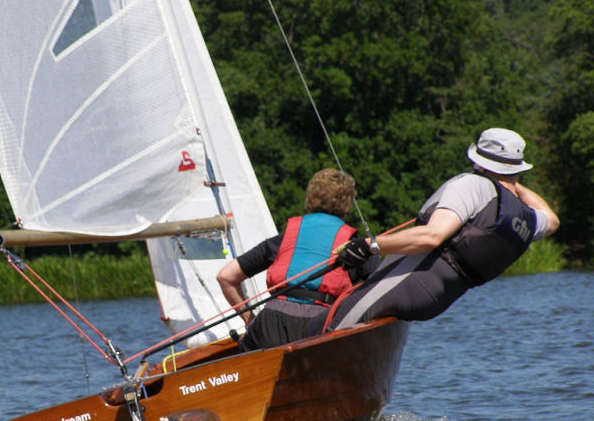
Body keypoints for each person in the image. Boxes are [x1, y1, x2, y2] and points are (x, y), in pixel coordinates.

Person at [308, 127, 560, 333]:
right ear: (516, 169)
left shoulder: (474, 185)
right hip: (435, 300)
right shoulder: (525, 217)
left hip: (411, 279)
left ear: (478, 161)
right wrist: (512, 184)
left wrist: (369, 245)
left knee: (332, 326)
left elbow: (433, 236)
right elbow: (552, 220)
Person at [217, 168, 379, 351]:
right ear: (347, 203)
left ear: (310, 198)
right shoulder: (354, 247)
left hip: (270, 325)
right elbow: (383, 287)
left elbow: (226, 277)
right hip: (319, 327)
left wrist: (249, 320)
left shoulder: (284, 240)